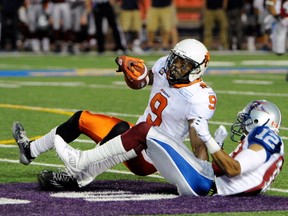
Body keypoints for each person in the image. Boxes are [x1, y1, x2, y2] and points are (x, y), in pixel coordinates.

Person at [13, 38, 220, 189]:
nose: (175, 66)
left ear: (197, 69)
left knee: (128, 129)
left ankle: (76, 176)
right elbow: (143, 81)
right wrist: (133, 72)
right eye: (175, 59)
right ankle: (30, 149)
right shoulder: (164, 66)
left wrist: (201, 175)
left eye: (183, 64)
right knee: (81, 118)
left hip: (153, 156)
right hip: (135, 137)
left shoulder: (199, 97)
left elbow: (198, 144)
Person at [46, 100, 284, 195]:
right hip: (208, 182)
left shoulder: (265, 136)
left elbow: (234, 170)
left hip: (205, 184)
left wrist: (208, 140)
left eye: (247, 117)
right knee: (144, 135)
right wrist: (218, 147)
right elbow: (235, 172)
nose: (242, 122)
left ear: (260, 119)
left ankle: (83, 162)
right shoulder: (271, 146)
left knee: (144, 130)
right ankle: (85, 170)